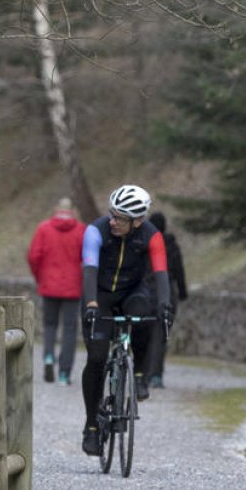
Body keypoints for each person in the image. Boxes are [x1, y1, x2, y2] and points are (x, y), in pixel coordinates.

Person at [79, 184, 173, 457]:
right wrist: (92, 305)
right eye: (112, 214)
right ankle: (92, 426)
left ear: (138, 220)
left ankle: (141, 374)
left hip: (133, 291)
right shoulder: (96, 231)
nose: (113, 221)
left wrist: (165, 305)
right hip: (99, 293)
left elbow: (161, 274)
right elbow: (89, 269)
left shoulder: (151, 236)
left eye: (120, 218)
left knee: (146, 316)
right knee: (96, 359)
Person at [27, 197, 86, 386]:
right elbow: (88, 258)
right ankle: (64, 373)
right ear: (73, 210)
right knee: (69, 330)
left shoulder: (44, 228)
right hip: (72, 287)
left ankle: (49, 357)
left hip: (49, 285)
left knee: (50, 325)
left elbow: (34, 256)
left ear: (55, 209)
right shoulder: (81, 230)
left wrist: (40, 277)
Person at [146, 211, 187, 389]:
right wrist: (183, 291)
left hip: (146, 290)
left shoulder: (143, 243)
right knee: (161, 335)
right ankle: (156, 375)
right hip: (168, 291)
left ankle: (143, 372)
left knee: (144, 334)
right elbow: (179, 269)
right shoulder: (171, 244)